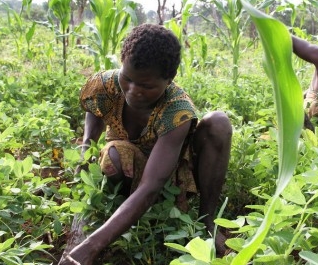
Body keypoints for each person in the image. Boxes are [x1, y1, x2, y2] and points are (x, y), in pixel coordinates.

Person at [59, 24, 232, 265]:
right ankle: (118, 208)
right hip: (126, 165)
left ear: (169, 80)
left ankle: (207, 221)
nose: (133, 91)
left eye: (147, 86)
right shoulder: (105, 84)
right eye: (127, 79)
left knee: (219, 122)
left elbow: (151, 185)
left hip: (166, 178)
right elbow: (96, 108)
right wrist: (87, 147)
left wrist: (90, 247)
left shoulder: (177, 111)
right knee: (114, 156)